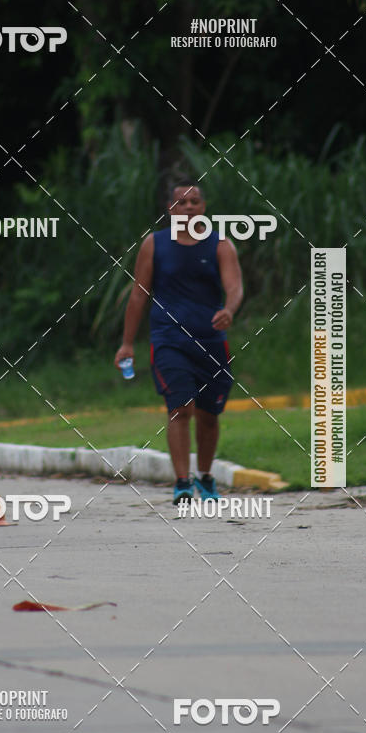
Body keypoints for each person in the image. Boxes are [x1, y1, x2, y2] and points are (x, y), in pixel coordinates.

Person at [114, 183, 243, 504]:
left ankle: (205, 476)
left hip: (211, 341)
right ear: (170, 208)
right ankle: (182, 482)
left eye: (194, 201)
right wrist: (127, 343)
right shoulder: (154, 244)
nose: (188, 207)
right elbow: (138, 295)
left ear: (203, 207)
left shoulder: (220, 244)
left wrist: (229, 310)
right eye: (181, 202)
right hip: (168, 339)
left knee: (209, 415)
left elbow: (235, 287)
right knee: (180, 409)